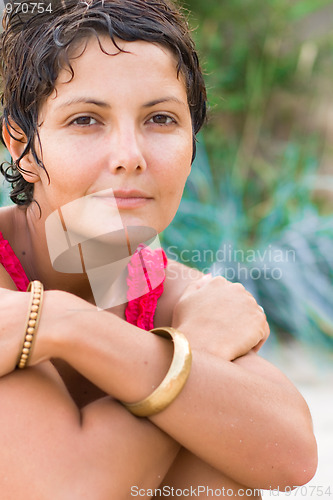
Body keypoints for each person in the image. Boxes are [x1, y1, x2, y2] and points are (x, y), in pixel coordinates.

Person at [0, 0, 317, 498]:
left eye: (161, 119)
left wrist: (65, 324)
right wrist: (201, 346)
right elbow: (72, 487)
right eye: (85, 120)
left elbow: (292, 457)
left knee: (217, 467)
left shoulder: (172, 292)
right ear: (21, 146)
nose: (129, 157)